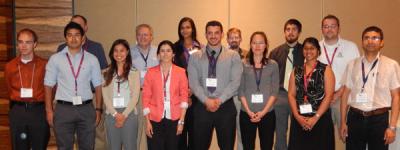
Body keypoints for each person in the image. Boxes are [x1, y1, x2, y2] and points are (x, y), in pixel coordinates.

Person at [44, 22, 103, 150]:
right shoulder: (55, 59)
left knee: (87, 146)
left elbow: (98, 86)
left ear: (82, 38)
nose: (73, 38)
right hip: (63, 109)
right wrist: (49, 110)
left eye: (77, 35)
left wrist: (98, 109)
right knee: (64, 147)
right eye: (69, 35)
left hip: (86, 109)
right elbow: (48, 85)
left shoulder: (92, 59)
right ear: (65, 38)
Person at [340, 26, 400, 150]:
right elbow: (345, 94)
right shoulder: (352, 64)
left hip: (379, 119)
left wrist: (392, 127)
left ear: (382, 42)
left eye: (375, 38)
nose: (370, 41)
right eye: (366, 38)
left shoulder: (391, 65)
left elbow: (396, 96)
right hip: (355, 117)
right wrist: (343, 122)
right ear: (362, 42)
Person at [188, 20, 243, 150]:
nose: (213, 36)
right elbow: (193, 83)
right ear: (205, 35)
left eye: (216, 33)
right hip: (202, 107)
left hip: (226, 108)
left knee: (227, 146)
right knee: (199, 146)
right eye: (210, 33)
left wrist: (219, 100)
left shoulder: (233, 56)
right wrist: (207, 100)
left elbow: (235, 82)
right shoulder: (195, 57)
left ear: (222, 34)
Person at [56, 15, 109, 149]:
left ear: (85, 27)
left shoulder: (96, 47)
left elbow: (103, 74)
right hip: (67, 101)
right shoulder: (61, 48)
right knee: (69, 137)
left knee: (97, 135)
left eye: (79, 25)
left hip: (91, 98)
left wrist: (99, 105)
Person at [5, 28, 50, 150]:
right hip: (18, 111)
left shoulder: (44, 65)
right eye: (20, 42)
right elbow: (9, 88)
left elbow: (51, 89)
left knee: (39, 146)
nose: (23, 46)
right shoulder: (10, 66)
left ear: (35, 44)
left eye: (28, 42)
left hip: (38, 112)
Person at [287, 37, 335, 150]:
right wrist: (297, 116)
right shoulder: (296, 70)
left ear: (318, 51)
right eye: (306, 48)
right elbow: (291, 94)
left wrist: (315, 117)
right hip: (300, 120)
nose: (308, 51)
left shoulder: (326, 69)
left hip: (320, 119)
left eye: (312, 48)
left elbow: (329, 95)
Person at [318, 15, 360, 142]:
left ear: (338, 28)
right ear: (322, 29)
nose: (329, 29)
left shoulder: (351, 47)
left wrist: (339, 93)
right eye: (326, 26)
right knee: (323, 137)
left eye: (333, 26)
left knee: (347, 134)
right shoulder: (316, 47)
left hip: (343, 97)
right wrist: (327, 95)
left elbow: (355, 74)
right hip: (322, 99)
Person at [142, 40, 189, 150]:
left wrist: (181, 121)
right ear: (158, 55)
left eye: (168, 50)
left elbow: (184, 97)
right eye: (162, 51)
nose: (165, 53)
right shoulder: (151, 72)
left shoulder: (181, 72)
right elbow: (146, 97)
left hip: (175, 118)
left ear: (173, 54)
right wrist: (147, 122)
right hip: (154, 118)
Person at [238, 31, 279, 150]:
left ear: (266, 45)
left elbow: (274, 91)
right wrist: (249, 111)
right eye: (254, 43)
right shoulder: (243, 64)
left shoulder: (273, 65)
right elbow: (240, 90)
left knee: (266, 146)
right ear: (250, 45)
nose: (257, 46)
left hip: (267, 113)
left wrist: (263, 112)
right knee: (248, 146)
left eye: (261, 43)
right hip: (246, 113)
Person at [269, 19, 304, 150]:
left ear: (299, 32)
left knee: (298, 131)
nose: (291, 32)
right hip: (280, 96)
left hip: (299, 96)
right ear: (284, 32)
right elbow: (270, 77)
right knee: (279, 131)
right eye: (288, 29)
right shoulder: (274, 52)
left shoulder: (305, 52)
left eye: (294, 29)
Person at [102, 39, 140, 150]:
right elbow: (105, 97)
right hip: (111, 114)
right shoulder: (106, 72)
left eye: (122, 51)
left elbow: (135, 96)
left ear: (127, 52)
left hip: (129, 113)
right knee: (113, 147)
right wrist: (115, 114)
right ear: (112, 53)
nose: (118, 54)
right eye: (116, 51)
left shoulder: (134, 72)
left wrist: (123, 115)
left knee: (130, 146)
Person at [173, 17, 201, 150]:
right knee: (180, 135)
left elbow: (204, 73)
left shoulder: (200, 48)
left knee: (196, 135)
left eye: (188, 27)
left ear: (193, 29)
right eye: (182, 27)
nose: (185, 30)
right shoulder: (174, 48)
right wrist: (184, 93)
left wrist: (193, 91)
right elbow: (172, 73)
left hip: (197, 97)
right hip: (179, 97)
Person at [131, 23, 159, 150]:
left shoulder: (158, 51)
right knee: (136, 129)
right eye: (140, 34)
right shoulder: (129, 52)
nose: (143, 37)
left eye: (146, 34)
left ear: (151, 36)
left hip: (155, 96)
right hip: (136, 95)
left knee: (153, 128)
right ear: (136, 36)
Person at [226, 27, 247, 150]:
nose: (234, 40)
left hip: (241, 97)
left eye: (236, 37)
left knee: (241, 130)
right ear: (227, 39)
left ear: (241, 39)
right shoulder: (222, 54)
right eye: (231, 37)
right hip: (226, 97)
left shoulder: (248, 54)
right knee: (227, 132)